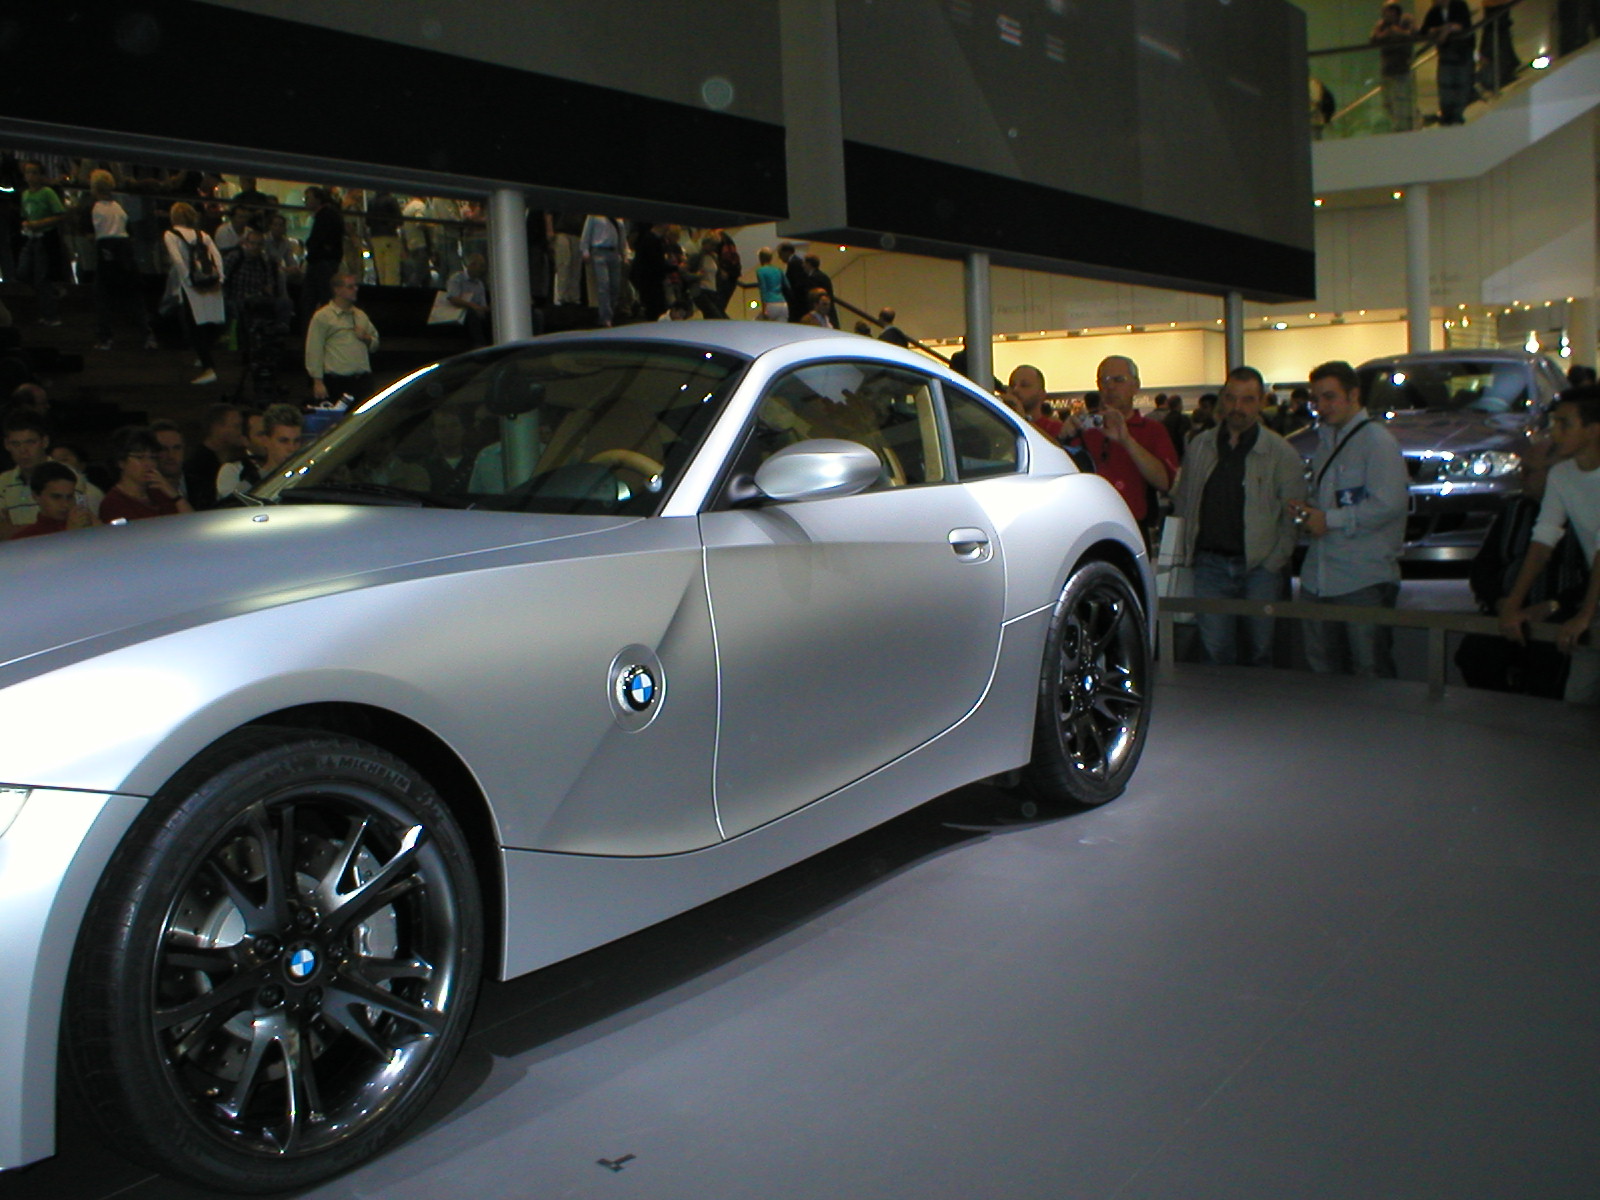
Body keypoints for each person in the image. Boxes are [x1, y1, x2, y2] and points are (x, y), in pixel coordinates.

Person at [1172, 366, 1306, 667]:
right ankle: (1221, 699)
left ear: (1261, 402)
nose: (1237, 407)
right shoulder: (1200, 446)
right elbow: (1185, 501)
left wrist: (1274, 562)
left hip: (1260, 568)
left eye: (1247, 400)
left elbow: (1293, 514)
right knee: (1214, 650)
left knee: (1261, 650)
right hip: (1210, 566)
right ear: (1222, 399)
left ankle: (1261, 698)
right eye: (1231, 398)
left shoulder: (1280, 453)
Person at [1288, 360, 1409, 678]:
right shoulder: (1326, 443)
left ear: (1353, 395)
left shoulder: (1377, 442)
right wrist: (1308, 512)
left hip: (1363, 577)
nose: (1321, 406)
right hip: (1320, 576)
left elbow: (1389, 504)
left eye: (1329, 397)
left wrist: (1329, 519)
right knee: (1323, 668)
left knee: (1370, 668)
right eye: (1316, 399)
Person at [1498, 387, 1600, 704]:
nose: (1555, 433)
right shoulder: (1561, 475)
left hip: (1595, 602)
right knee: (1579, 694)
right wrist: (1514, 602)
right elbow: (1543, 539)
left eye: (1564, 424)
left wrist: (1585, 613)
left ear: (1593, 430)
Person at [1060, 356, 1179, 532]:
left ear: (1136, 386)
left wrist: (1127, 441)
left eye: (1119, 380)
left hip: (1135, 526)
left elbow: (1164, 482)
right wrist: (1063, 439)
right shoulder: (1083, 428)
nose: (1110, 387)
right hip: (1087, 525)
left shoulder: (1153, 430)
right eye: (1104, 381)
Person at [0, 411, 102, 537]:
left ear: (45, 442)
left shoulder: (67, 476)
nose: (23, 450)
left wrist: (18, 531)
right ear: (6, 445)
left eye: (30, 442)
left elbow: (74, 524)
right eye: (15, 444)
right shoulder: (3, 481)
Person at [87, 169, 155, 350]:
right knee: (133, 294)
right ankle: (147, 334)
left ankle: (105, 337)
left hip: (106, 249)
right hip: (124, 249)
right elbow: (129, 232)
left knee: (102, 294)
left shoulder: (95, 208)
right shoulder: (119, 207)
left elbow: (91, 232)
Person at [163, 201, 226, 386]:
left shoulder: (171, 235)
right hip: (211, 282)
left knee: (193, 326)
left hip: (192, 286)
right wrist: (220, 278)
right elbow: (217, 256)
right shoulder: (203, 234)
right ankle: (204, 355)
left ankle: (208, 367)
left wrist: (189, 280)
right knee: (211, 322)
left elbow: (178, 260)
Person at [305, 273, 379, 403]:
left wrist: (366, 338)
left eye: (356, 286)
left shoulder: (360, 315)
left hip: (362, 381)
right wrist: (317, 382)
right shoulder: (323, 316)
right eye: (350, 287)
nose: (355, 289)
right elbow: (314, 350)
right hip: (336, 383)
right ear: (337, 290)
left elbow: (375, 344)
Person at [99, 425, 195, 522]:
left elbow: (190, 522)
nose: (149, 464)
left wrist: (174, 495)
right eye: (140, 457)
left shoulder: (158, 493)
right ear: (121, 462)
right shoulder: (114, 503)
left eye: (152, 458)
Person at [17, 161, 66, 327]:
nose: (31, 176)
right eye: (28, 173)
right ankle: (51, 293)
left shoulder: (47, 193)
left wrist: (40, 223)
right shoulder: (25, 195)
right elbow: (26, 214)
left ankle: (51, 314)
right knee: (23, 272)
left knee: (41, 277)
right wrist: (27, 224)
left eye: (35, 173)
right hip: (31, 237)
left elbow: (60, 214)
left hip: (44, 237)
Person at [1421, 0, 1475, 125]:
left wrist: (1446, 31)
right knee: (1445, 86)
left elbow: (1463, 25)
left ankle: (1457, 115)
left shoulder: (1459, 5)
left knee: (1460, 84)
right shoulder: (1434, 11)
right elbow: (1424, 30)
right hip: (1445, 54)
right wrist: (1442, 29)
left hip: (1462, 53)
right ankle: (1447, 115)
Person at [8, 461, 94, 539]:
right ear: (36, 496)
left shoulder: (88, 526)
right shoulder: (25, 538)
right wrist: (71, 535)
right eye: (56, 497)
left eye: (69, 497)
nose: (65, 504)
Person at [184, 402, 246, 509]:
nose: (241, 432)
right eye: (236, 426)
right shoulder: (198, 465)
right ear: (217, 427)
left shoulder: (237, 459)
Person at [1370, 3, 1418, 133]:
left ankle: (1403, 128)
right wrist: (1384, 32)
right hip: (1387, 70)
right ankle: (1396, 126)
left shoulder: (1406, 21)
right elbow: (1373, 40)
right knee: (1387, 103)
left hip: (1402, 69)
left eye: (1390, 11)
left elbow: (1413, 34)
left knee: (1401, 101)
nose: (1387, 15)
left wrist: (1396, 32)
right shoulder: (1382, 25)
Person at [580, 215, 626, 327]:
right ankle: (606, 317)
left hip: (614, 252)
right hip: (599, 251)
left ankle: (610, 313)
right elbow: (587, 232)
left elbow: (622, 236)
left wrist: (624, 253)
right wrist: (585, 250)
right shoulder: (594, 215)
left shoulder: (618, 216)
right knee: (603, 285)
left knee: (615, 286)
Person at [1005, 365, 1064, 441]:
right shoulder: (1000, 424)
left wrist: (1023, 420)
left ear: (1041, 394)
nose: (1015, 389)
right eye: (1012, 385)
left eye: (1024, 385)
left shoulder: (1055, 429)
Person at [446, 253, 491, 347]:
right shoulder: (457, 278)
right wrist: (472, 306)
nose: (483, 270)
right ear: (472, 265)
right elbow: (453, 298)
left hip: (476, 313)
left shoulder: (479, 284)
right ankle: (480, 344)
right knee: (471, 313)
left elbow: (482, 304)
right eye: (481, 266)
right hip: (458, 313)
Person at [1479, 0, 1518, 93]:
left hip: (1496, 10)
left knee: (1498, 37)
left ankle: (1501, 76)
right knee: (1498, 38)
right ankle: (1500, 76)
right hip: (1496, 9)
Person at [150, 418, 188, 502]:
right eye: (163, 449)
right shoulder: (142, 491)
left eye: (177, 448)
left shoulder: (202, 485)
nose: (171, 455)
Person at [755, 248, 787, 321]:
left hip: (770, 303)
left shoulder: (760, 271)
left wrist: (764, 309)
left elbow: (763, 290)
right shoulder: (778, 270)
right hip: (783, 303)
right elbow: (786, 286)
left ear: (761, 258)